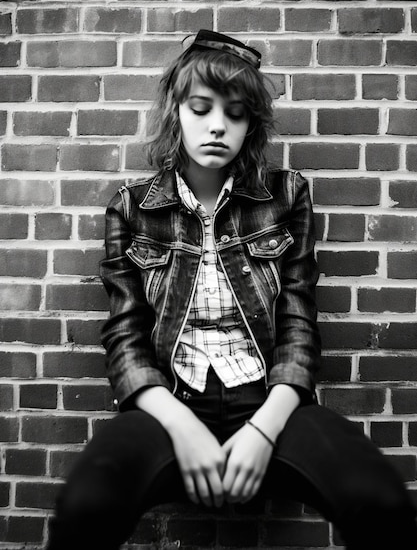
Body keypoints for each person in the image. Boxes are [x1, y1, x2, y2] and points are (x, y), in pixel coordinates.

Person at [46, 30, 417, 550]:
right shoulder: (131, 208)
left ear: (250, 125)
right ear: (176, 112)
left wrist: (265, 429)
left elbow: (297, 323)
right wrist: (183, 427)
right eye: (201, 108)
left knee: (376, 496)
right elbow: (125, 335)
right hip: (169, 402)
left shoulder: (286, 197)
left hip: (268, 402)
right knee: (87, 502)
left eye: (236, 113)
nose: (218, 124)